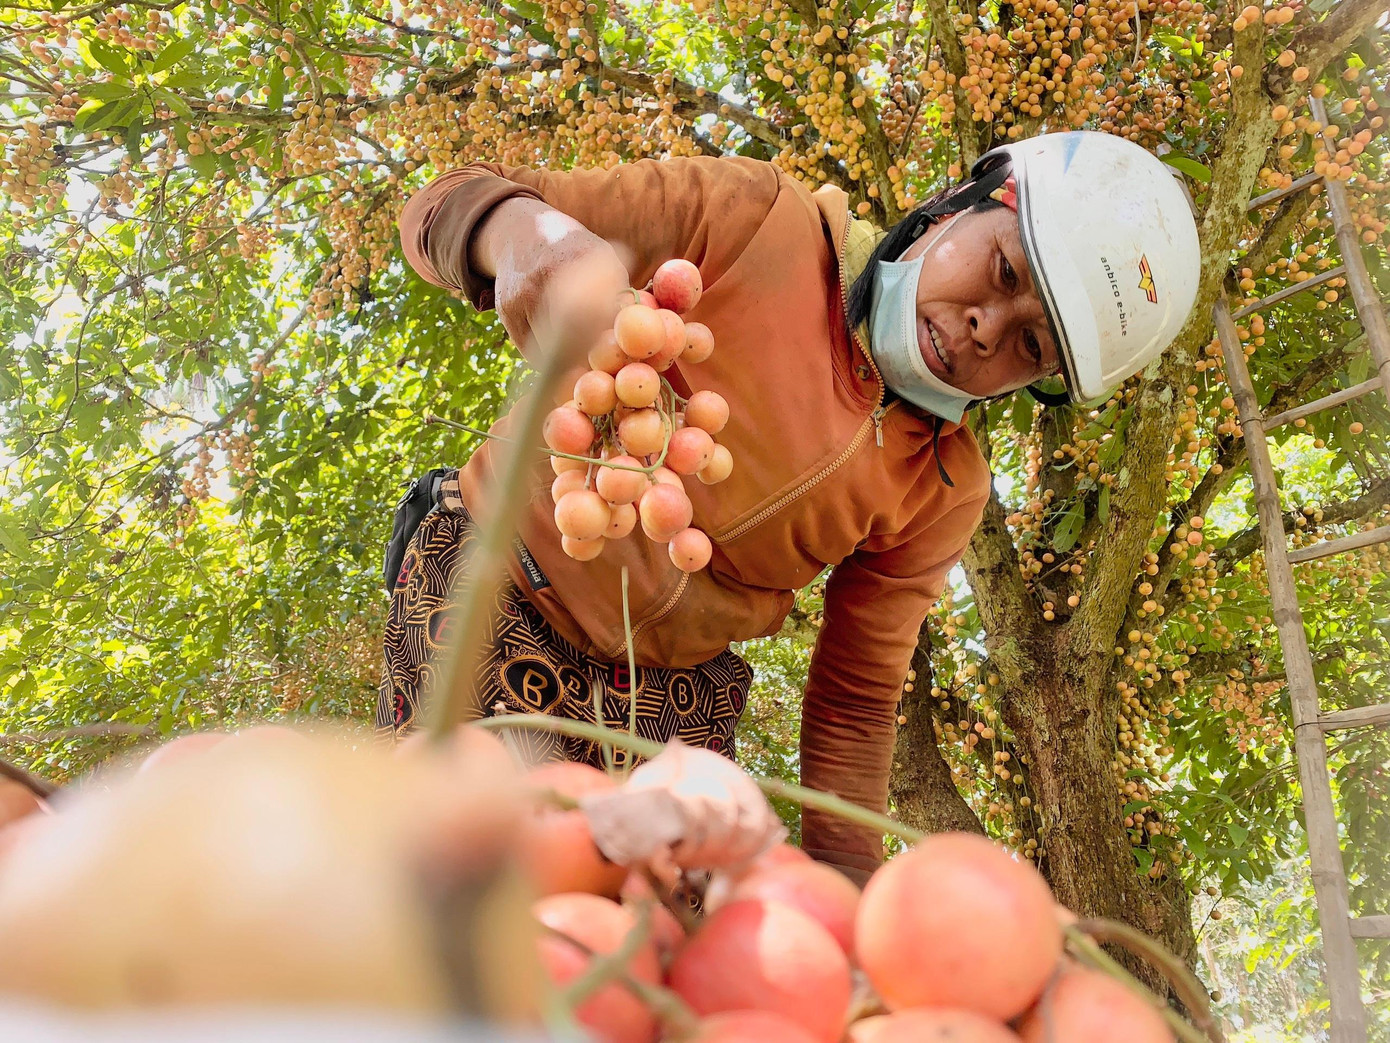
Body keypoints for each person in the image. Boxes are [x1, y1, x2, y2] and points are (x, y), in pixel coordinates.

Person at [381, 131, 1201, 883]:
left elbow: (855, 693)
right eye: (1005, 273)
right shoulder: (753, 219)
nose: (990, 326)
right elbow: (444, 206)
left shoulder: (941, 487)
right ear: (959, 205)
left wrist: (845, 890)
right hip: (490, 589)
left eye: (1030, 346)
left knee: (669, 936)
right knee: (484, 891)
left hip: (667, 696)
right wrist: (522, 233)